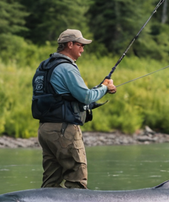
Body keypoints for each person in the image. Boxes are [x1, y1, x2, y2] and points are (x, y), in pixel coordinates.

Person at [32, 29, 116, 189]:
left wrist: (99, 88)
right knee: (76, 176)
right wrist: (105, 88)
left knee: (51, 179)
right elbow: (85, 97)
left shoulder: (44, 67)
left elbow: (64, 96)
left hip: (45, 129)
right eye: (80, 45)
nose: (82, 49)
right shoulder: (67, 68)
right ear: (69, 45)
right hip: (63, 129)